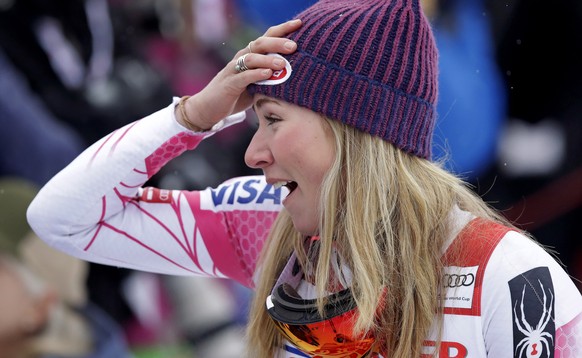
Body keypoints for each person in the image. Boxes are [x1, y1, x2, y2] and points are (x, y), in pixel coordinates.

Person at [27, 0, 582, 357]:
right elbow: (63, 220)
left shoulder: (508, 276)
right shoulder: (264, 225)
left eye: (271, 120)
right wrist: (192, 115)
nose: (253, 154)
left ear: (352, 132)